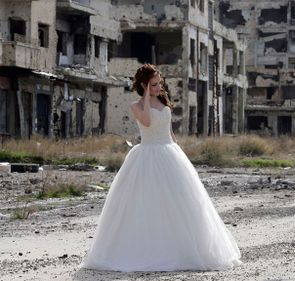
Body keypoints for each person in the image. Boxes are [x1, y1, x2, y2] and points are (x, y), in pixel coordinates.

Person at [81, 64, 241, 272]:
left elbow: (169, 130)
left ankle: (182, 249)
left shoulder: (164, 101)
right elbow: (146, 122)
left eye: (159, 84)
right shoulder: (136, 105)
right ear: (144, 85)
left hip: (169, 153)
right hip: (146, 155)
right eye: (153, 85)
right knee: (146, 203)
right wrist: (147, 96)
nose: (158, 87)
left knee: (180, 203)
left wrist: (179, 152)